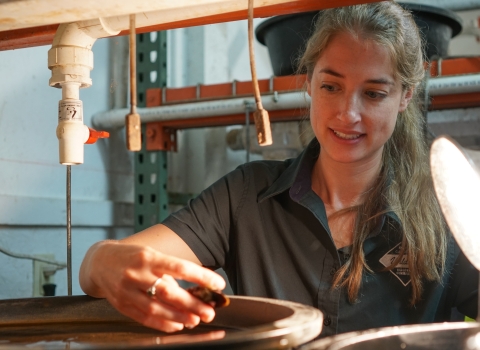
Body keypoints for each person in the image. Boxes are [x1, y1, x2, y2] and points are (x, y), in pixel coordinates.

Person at [79, 0, 478, 338]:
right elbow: (99, 269)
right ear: (308, 83)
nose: (347, 113)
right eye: (330, 86)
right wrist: (104, 261)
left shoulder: (448, 209)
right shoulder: (246, 195)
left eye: (374, 94)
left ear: (405, 95)